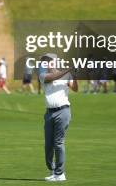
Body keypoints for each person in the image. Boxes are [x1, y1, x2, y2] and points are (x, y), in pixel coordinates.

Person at [39, 53, 78, 182]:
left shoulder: (66, 75)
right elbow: (52, 78)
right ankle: (54, 170)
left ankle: (60, 174)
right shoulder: (43, 75)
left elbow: (75, 88)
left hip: (63, 111)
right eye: (45, 61)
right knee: (48, 145)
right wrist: (70, 69)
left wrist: (75, 76)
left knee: (58, 143)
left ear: (55, 62)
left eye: (49, 61)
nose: (46, 63)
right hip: (49, 113)